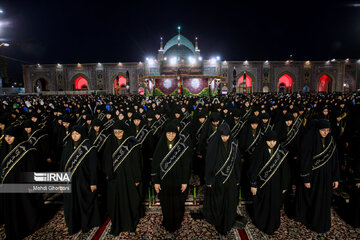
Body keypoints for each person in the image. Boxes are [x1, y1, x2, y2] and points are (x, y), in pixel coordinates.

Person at [296, 119, 340, 233]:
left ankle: (323, 223)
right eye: (323, 130)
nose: (325, 133)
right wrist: (306, 178)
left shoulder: (331, 141)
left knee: (325, 199)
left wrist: (336, 178)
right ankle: (312, 221)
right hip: (314, 177)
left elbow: (335, 160)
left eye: (327, 130)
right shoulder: (310, 140)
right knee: (314, 199)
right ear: (318, 130)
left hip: (327, 177)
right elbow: (305, 161)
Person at [0, 126, 42, 239]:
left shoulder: (26, 148)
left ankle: (27, 226)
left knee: (24, 206)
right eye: (6, 136)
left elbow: (32, 168)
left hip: (22, 184)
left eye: (11, 136)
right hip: (8, 185)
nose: (7, 139)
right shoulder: (4, 148)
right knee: (11, 207)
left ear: (16, 136)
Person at [202, 123, 243, 237]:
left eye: (227, 136)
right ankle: (218, 219)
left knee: (230, 200)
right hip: (217, 179)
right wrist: (209, 180)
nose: (225, 138)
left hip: (231, 178)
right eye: (223, 136)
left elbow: (237, 163)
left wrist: (237, 178)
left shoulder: (234, 144)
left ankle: (228, 220)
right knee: (218, 201)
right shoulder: (213, 144)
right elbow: (209, 164)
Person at [151, 122, 191, 239]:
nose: (171, 136)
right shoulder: (160, 146)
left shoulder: (182, 147)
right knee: (166, 203)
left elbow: (186, 166)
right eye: (168, 133)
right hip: (164, 182)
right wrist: (156, 182)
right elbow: (155, 166)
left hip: (178, 181)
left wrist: (184, 182)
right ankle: (167, 222)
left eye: (173, 133)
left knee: (178, 203)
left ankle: (177, 222)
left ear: (176, 134)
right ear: (165, 134)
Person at [60, 125, 101, 235]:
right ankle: (73, 224)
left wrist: (93, 182)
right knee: (71, 203)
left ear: (81, 134)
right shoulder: (67, 146)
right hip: (70, 182)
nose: (74, 136)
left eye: (77, 134)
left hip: (84, 181)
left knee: (84, 203)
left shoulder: (89, 147)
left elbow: (93, 167)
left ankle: (85, 224)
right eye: (73, 134)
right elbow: (63, 165)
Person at [103, 121, 143, 235]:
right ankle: (118, 224)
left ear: (124, 131)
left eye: (120, 132)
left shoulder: (131, 142)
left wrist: (137, 178)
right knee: (115, 203)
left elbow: (137, 162)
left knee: (130, 201)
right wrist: (109, 175)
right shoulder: (110, 140)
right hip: (115, 179)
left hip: (129, 178)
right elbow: (107, 160)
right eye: (115, 132)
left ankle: (130, 224)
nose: (118, 134)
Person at [248, 130, 290, 235]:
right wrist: (253, 184)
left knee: (275, 204)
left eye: (274, 141)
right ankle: (262, 223)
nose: (272, 143)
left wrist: (284, 185)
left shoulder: (281, 152)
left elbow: (285, 171)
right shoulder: (259, 151)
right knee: (263, 204)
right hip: (263, 185)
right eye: (269, 141)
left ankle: (274, 224)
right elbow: (254, 169)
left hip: (276, 185)